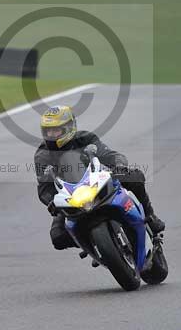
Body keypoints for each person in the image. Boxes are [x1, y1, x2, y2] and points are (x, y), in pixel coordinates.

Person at [34, 105, 165, 250]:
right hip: (71, 197)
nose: (51, 135)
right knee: (58, 238)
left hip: (98, 182)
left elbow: (110, 155)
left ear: (69, 127)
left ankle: (150, 216)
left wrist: (119, 166)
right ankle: (92, 243)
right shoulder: (42, 155)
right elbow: (44, 187)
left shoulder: (85, 138)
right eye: (48, 131)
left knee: (135, 177)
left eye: (56, 130)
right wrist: (51, 201)